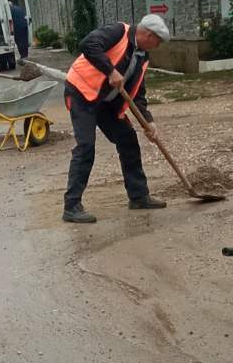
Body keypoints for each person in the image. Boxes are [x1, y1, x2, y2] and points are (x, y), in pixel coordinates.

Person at [62, 13, 170, 223]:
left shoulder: (142, 56)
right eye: (157, 42)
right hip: (81, 93)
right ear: (148, 35)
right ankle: (71, 206)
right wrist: (110, 71)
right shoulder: (118, 32)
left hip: (106, 102)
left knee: (128, 138)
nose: (157, 46)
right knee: (86, 146)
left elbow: (137, 93)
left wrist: (148, 122)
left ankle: (138, 196)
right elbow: (88, 44)